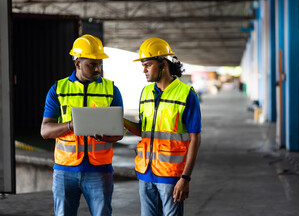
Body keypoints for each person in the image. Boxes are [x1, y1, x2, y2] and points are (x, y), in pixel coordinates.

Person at [40, 34, 124, 216]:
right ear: (77, 64)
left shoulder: (111, 90)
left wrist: (107, 136)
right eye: (91, 64)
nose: (97, 69)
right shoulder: (58, 90)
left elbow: (119, 133)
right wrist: (71, 125)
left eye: (99, 64)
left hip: (100, 170)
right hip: (64, 171)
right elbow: (45, 131)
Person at [124, 38, 201, 216]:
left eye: (147, 65)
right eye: (143, 65)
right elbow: (143, 130)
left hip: (171, 175)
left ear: (163, 64)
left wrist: (185, 178)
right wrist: (121, 121)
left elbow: (195, 139)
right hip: (145, 173)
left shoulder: (186, 95)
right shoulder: (145, 92)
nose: (143, 70)